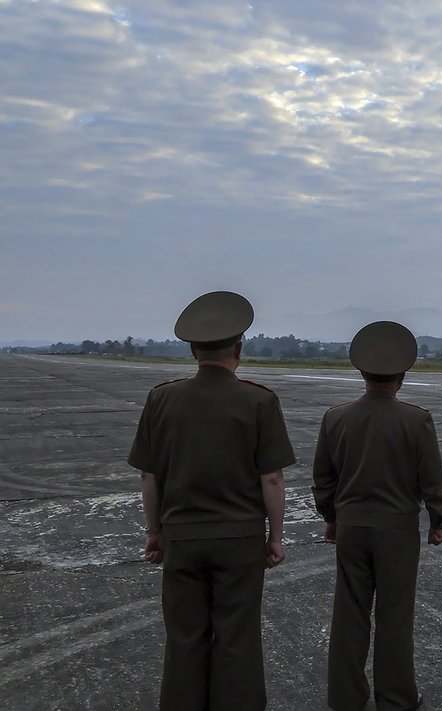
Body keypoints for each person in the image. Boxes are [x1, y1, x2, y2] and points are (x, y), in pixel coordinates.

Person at [128, 290, 295, 711]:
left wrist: (155, 531)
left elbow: (149, 474)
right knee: (237, 639)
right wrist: (275, 536)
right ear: (239, 348)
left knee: (185, 639)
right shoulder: (259, 400)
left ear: (192, 349)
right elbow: (271, 478)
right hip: (239, 540)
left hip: (182, 538)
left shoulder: (161, 398)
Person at [312, 320, 442, 711]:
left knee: (349, 613)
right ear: (402, 377)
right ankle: (396, 698)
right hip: (397, 530)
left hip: (352, 527)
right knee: (394, 616)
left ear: (362, 373)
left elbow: (323, 478)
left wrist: (331, 516)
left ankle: (345, 698)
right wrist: (437, 520)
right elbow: (431, 478)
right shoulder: (416, 419)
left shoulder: (336, 417)